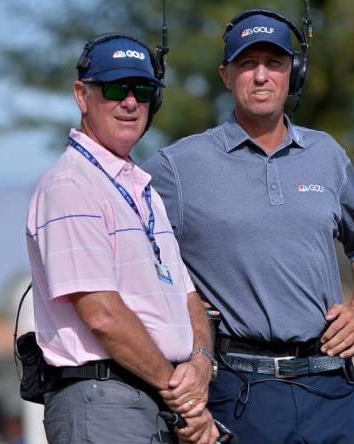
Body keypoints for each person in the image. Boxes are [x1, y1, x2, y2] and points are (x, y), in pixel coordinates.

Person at [142, 10, 354, 443]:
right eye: (247, 64)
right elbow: (136, 253)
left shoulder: (327, 154)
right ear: (226, 75)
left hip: (329, 388)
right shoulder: (177, 167)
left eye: (273, 63)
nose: (261, 76)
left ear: (294, 72)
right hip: (238, 392)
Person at [25, 34, 219, 443]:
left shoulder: (142, 190)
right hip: (102, 401)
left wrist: (200, 363)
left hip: (153, 399)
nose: (130, 102)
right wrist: (181, 396)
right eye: (114, 88)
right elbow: (102, 315)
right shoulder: (69, 186)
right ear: (82, 95)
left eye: (143, 91)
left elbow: (188, 297)